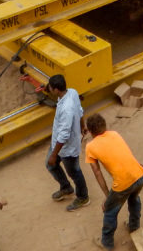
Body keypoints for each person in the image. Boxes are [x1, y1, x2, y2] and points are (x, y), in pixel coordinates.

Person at [85, 113, 143, 250]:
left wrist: (107, 196)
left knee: (109, 210)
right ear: (105, 125)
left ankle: (106, 243)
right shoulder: (114, 134)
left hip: (123, 184)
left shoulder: (90, 147)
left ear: (89, 131)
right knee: (134, 198)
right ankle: (134, 226)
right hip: (140, 175)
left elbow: (97, 172)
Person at [45, 73, 89, 211]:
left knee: (75, 172)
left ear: (57, 90)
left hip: (67, 148)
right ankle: (66, 187)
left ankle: (83, 197)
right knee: (50, 165)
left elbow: (64, 134)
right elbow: (80, 111)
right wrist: (82, 125)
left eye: (51, 88)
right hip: (58, 144)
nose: (49, 90)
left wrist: (54, 155)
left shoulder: (66, 109)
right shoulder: (72, 92)